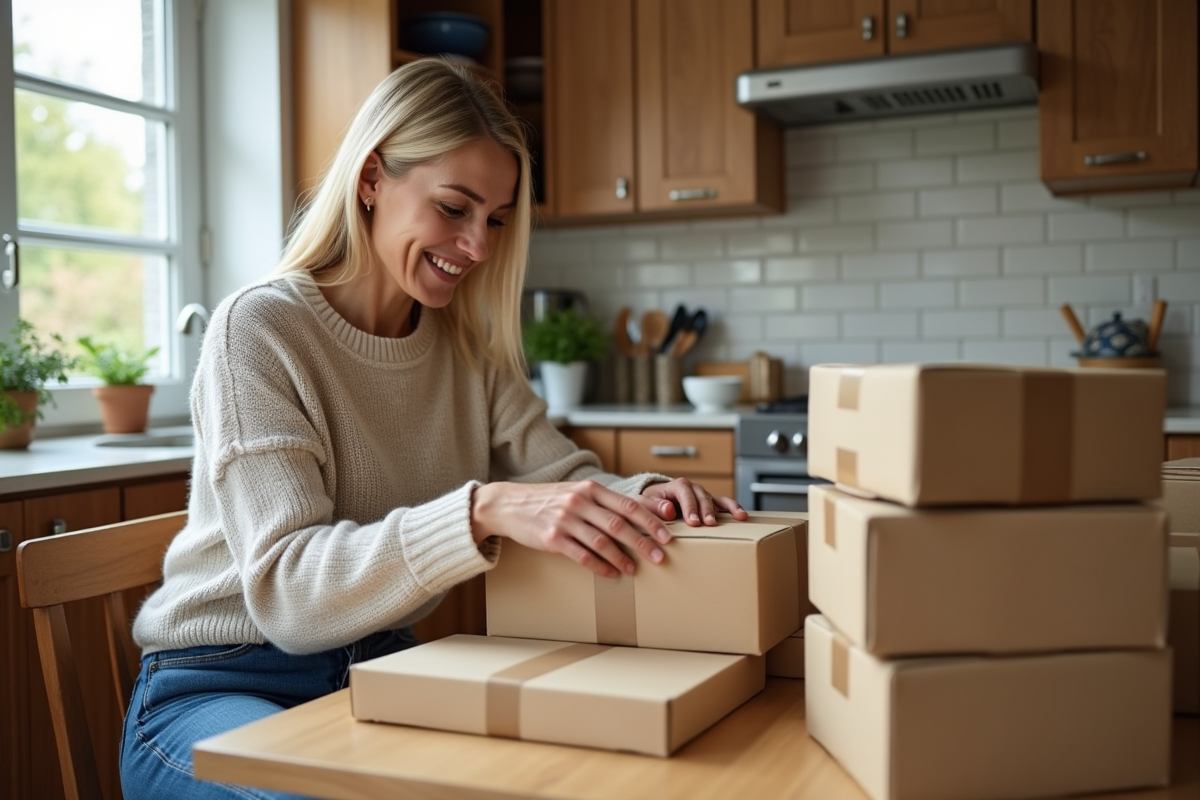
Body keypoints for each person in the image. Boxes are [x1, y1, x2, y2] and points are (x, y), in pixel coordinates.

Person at [119, 58, 746, 800]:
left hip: (381, 669)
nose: (479, 246)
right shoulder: (258, 330)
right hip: (219, 683)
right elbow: (289, 597)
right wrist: (481, 510)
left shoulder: (467, 350)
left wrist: (644, 495)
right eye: (454, 208)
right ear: (371, 179)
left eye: (496, 219)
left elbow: (561, 479)